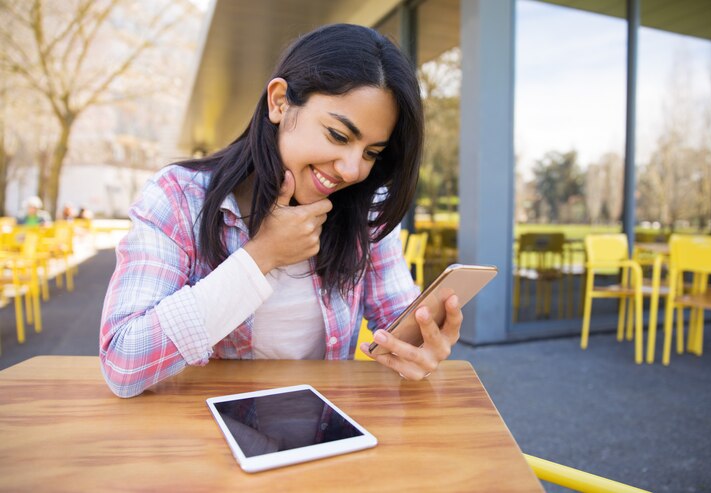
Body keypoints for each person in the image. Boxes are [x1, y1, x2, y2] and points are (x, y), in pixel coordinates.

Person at [100, 24, 463, 398]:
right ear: (279, 102)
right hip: (207, 435)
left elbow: (396, 320)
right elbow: (124, 362)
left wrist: (421, 345)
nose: (353, 170)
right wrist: (262, 255)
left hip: (325, 431)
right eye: (338, 136)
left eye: (371, 153)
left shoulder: (363, 205)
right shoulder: (178, 197)